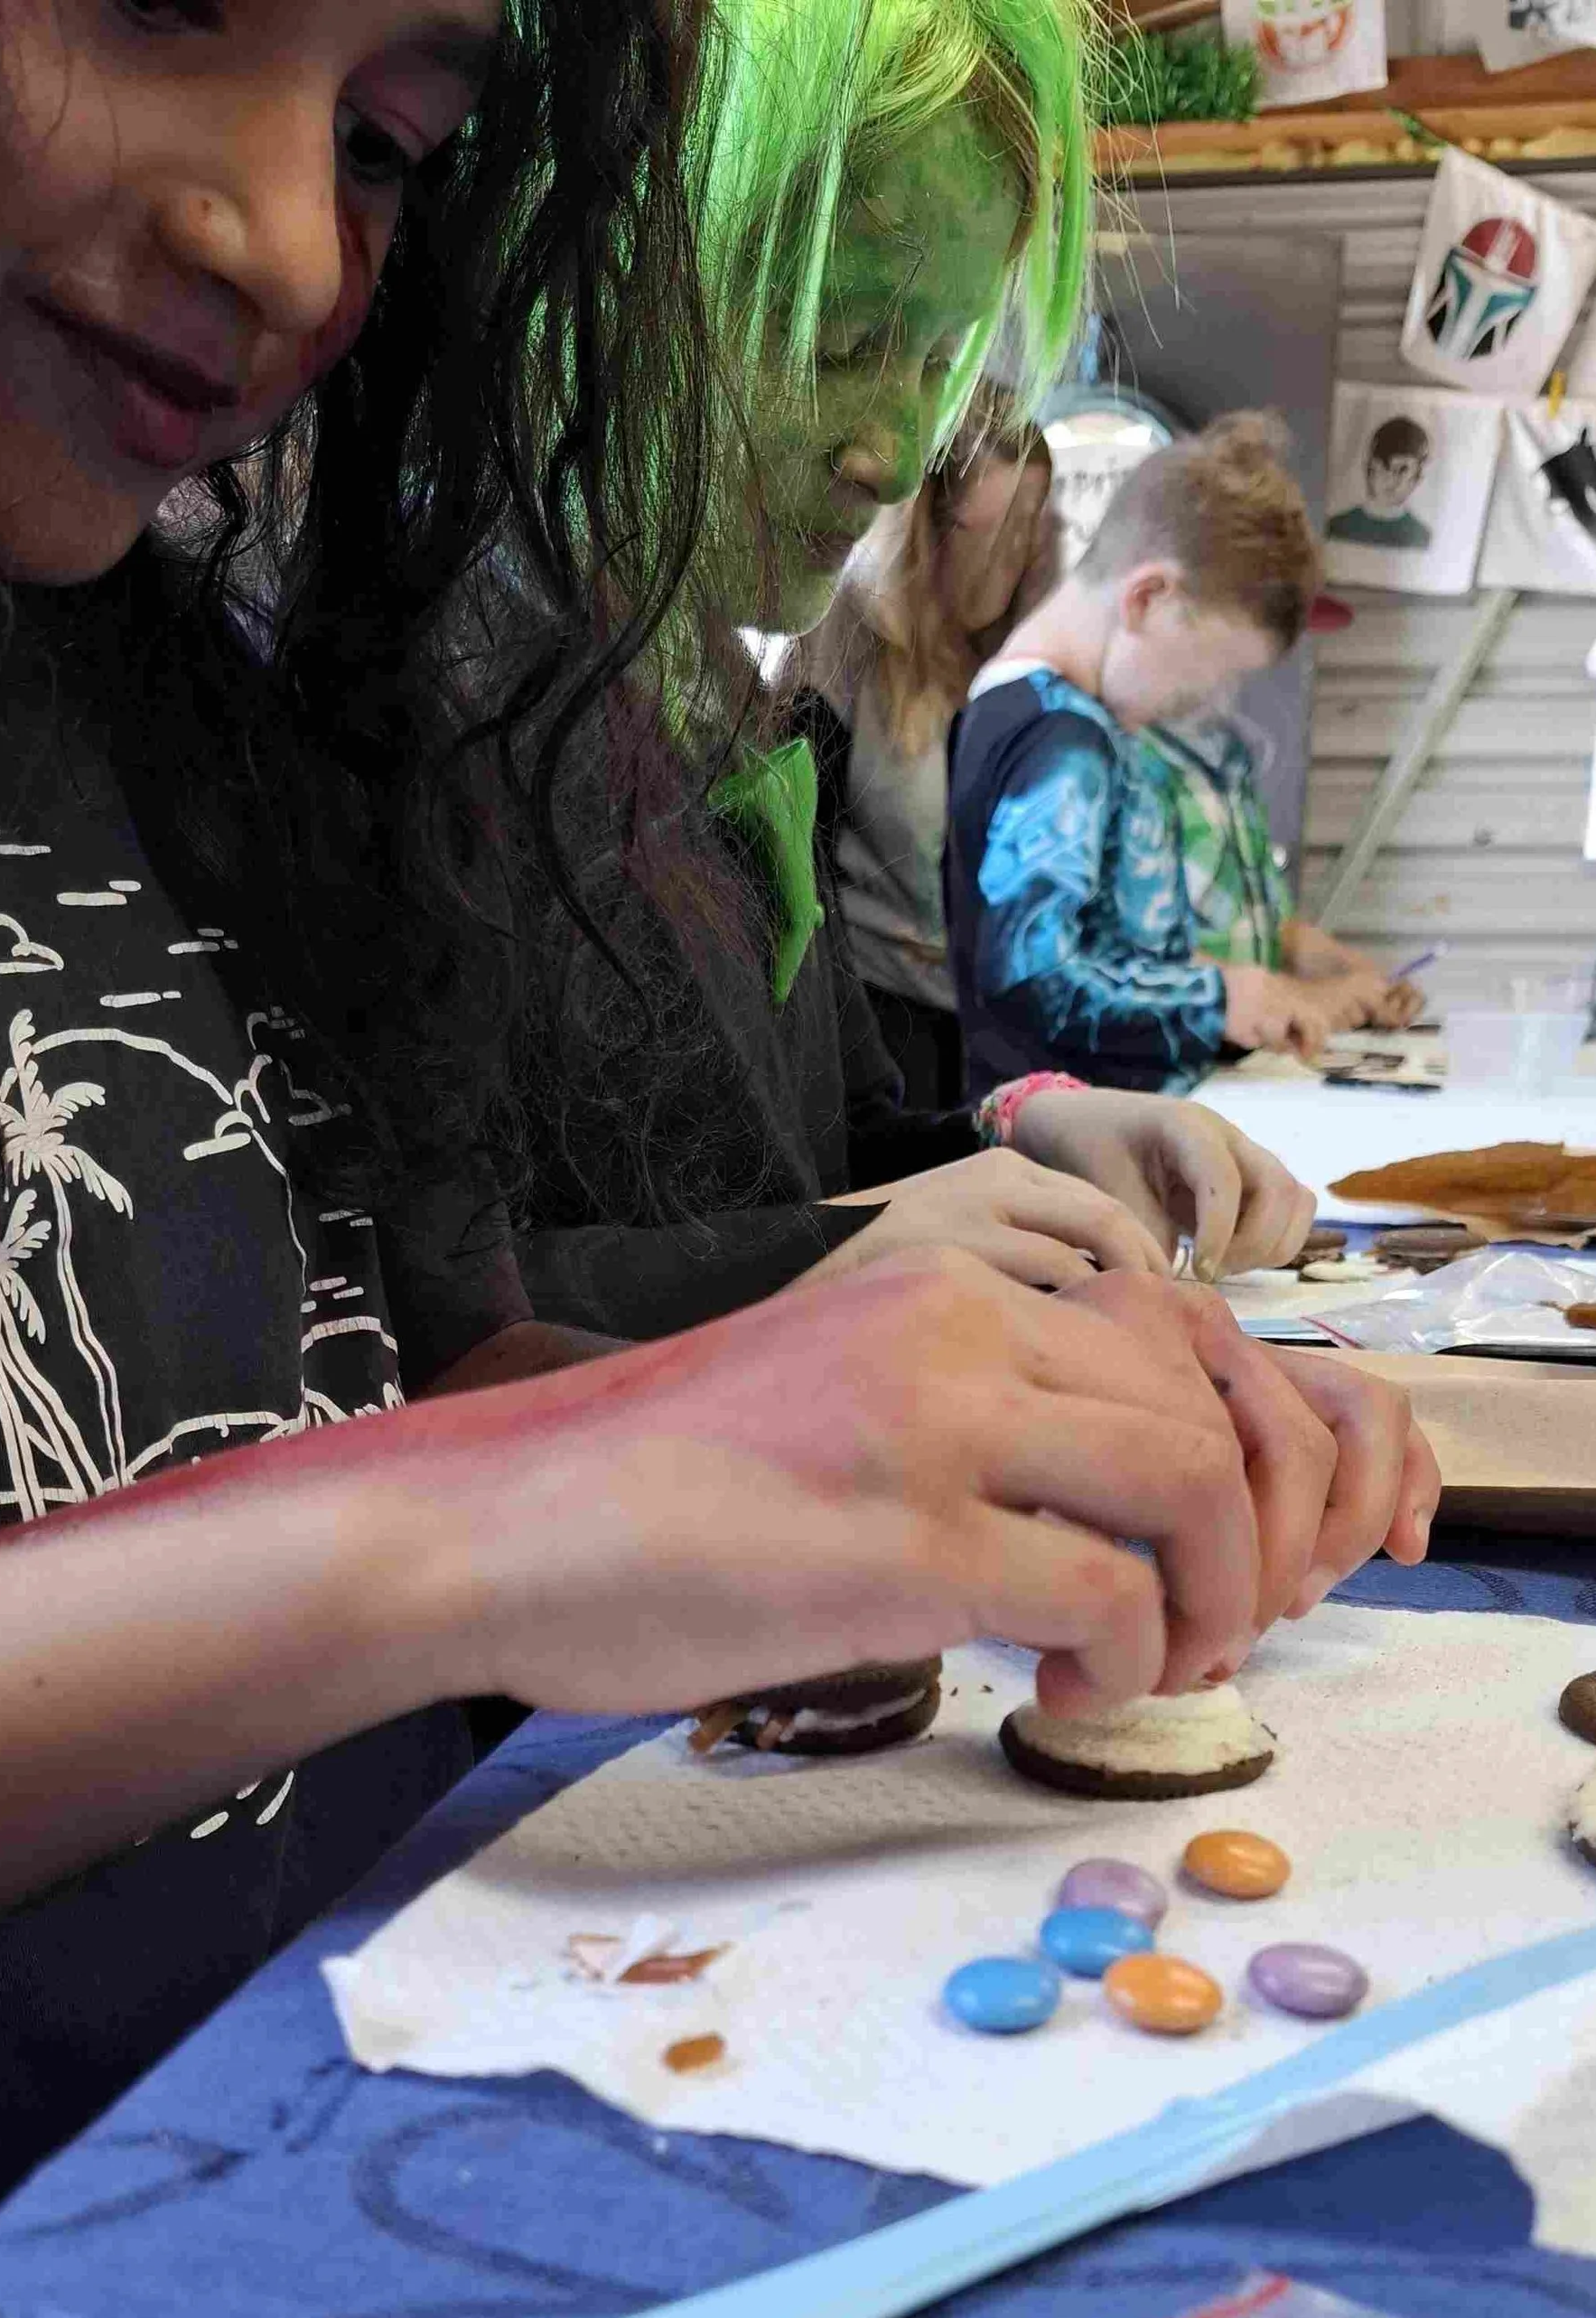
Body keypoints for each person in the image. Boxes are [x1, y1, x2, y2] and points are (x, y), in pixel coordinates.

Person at [0, 0, 1436, 2318]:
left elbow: (397, 1364)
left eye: (390, 140)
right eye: (161, 6)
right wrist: (487, 1520)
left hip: (317, 2188)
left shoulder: (193, 707)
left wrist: (885, 1416)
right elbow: (432, 1486)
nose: (286, 238)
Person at [500, 0, 1334, 1335]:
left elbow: (838, 1149)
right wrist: (837, 1251)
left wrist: (1032, 1132)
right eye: (836, 342)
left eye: (938, 361)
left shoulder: (728, 706)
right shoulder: (446, 715)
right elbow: (423, 1317)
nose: (890, 457)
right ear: (620, 271)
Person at [946, 416, 1418, 1099]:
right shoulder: (1061, 738)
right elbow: (1032, 973)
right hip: (1067, 1143)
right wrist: (1218, 996)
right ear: (1147, 597)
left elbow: (1109, 946)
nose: (1206, 701)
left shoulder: (1060, 718)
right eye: (1208, 674)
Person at [782, 389, 1061, 1110]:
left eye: (1029, 528)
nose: (1013, 558)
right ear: (929, 523)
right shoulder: (845, 632)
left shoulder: (1020, 667)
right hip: (878, 1022)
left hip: (987, 1025)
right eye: (994, 533)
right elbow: (801, 866)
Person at [1326, 417, 1433, 552]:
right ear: (1369, 468)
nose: (1390, 478)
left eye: (1402, 470)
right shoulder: (1337, 527)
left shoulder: (1423, 538)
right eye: (1383, 466)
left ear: (1417, 478)